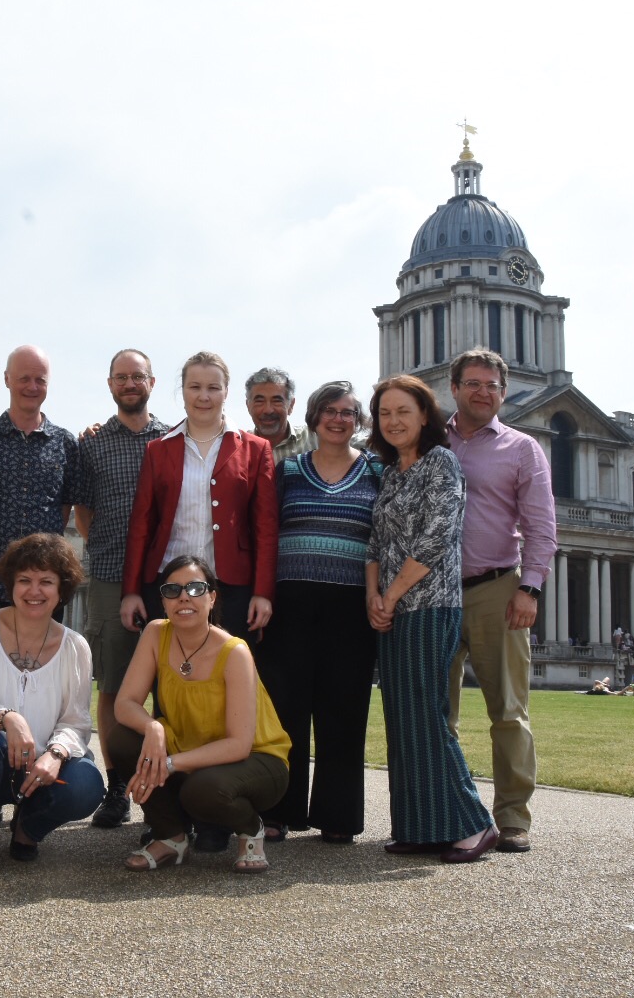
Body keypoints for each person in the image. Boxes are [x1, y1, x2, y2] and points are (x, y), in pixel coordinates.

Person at [365, 374, 497, 864]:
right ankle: (421, 826)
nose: (394, 421)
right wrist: (374, 598)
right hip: (394, 608)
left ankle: (473, 824)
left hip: (430, 605)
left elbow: (436, 538)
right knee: (401, 720)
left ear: (425, 416)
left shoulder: (442, 463)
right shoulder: (391, 472)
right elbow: (375, 543)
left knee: (425, 714)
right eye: (384, 413)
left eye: (403, 411)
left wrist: (393, 595)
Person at [110, 556, 291, 874]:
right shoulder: (155, 634)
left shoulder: (234, 652)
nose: (184, 597)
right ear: (163, 601)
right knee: (123, 740)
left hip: (257, 760)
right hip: (189, 751)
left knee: (202, 791)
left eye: (195, 588)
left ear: (212, 598)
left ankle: (251, 828)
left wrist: (167, 763)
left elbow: (238, 745)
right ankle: (170, 838)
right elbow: (125, 703)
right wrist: (153, 728)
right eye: (172, 589)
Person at [444, 348, 556, 856]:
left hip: (497, 589)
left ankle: (512, 817)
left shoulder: (522, 448)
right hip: (435, 593)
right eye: (472, 383)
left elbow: (541, 525)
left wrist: (530, 588)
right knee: (434, 714)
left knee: (508, 711)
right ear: (455, 388)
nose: (482, 392)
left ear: (503, 393)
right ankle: (443, 811)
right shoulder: (428, 439)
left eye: (491, 384)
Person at [0, 533, 106, 871]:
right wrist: (9, 718)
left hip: (41, 771)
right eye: (24, 580)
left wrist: (56, 754)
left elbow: (76, 721)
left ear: (62, 590)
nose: (34, 591)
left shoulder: (76, 647)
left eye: (46, 581)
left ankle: (28, 829)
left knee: (87, 784)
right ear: (10, 584)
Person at [261, 380, 381, 845]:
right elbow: (267, 532)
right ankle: (278, 810)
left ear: (358, 421)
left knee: (344, 711)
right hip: (290, 602)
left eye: (348, 412)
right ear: (313, 417)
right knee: (285, 709)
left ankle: (338, 815)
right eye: (329, 410)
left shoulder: (376, 471)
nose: (338, 418)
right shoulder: (287, 470)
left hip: (350, 605)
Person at [73, 348, 170, 830]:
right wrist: (105, 550)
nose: (130, 383)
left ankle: (169, 786)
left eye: (138, 376)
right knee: (113, 685)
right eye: (122, 377)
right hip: (112, 573)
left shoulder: (174, 437)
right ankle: (117, 788)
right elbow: (82, 511)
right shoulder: (90, 444)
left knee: (173, 686)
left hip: (169, 578)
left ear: (152, 381)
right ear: (110, 384)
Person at [121, 350, 278, 642]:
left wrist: (262, 593)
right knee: (169, 678)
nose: (204, 396)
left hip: (231, 590)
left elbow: (266, 529)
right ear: (182, 391)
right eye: (195, 387)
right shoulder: (158, 450)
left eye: (213, 387)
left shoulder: (256, 449)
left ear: (226, 392)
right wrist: (130, 591)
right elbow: (141, 525)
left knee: (230, 679)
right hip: (167, 586)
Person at [0, 345, 85, 615]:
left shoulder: (66, 443)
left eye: (40, 380)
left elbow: (63, 510)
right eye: (24, 378)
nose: (32, 387)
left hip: (45, 584)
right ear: (7, 379)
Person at [245, 366, 315, 462]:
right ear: (248, 406)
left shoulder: (315, 439)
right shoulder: (238, 447)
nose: (268, 410)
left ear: (291, 405)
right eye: (260, 401)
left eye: (277, 401)